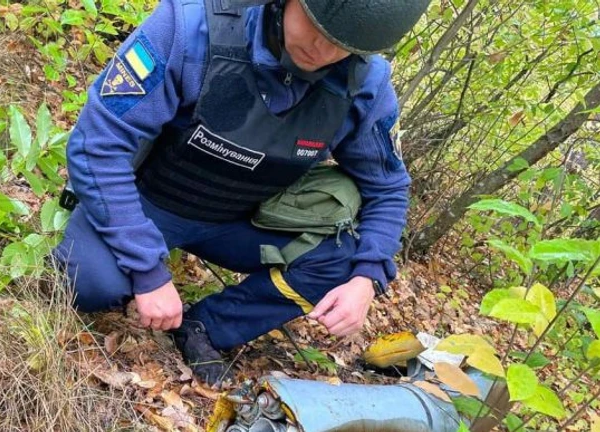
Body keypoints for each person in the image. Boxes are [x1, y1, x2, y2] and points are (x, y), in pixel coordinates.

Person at [54, 0, 429, 385]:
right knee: (89, 284)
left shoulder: (363, 85)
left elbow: (387, 187)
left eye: (342, 44)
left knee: (346, 261)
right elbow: (98, 145)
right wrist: (148, 271)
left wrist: (368, 278)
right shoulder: (190, 27)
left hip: (238, 220)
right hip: (147, 201)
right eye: (314, 27)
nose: (322, 50)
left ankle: (207, 326)